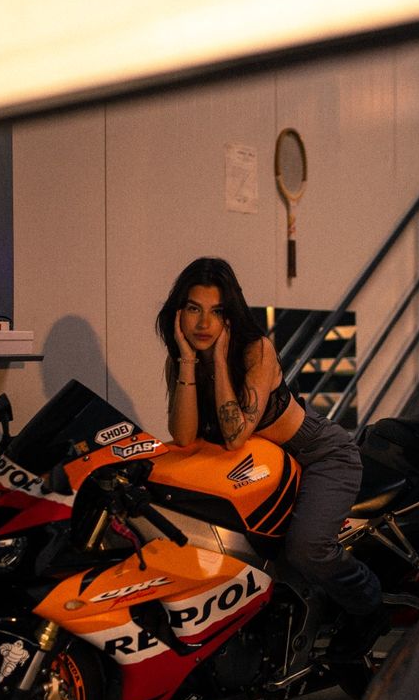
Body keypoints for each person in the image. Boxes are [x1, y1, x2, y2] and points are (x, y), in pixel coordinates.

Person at [155, 257, 383, 637]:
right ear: (179, 312)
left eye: (216, 312)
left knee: (306, 549)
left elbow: (234, 434)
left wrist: (222, 362)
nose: (203, 323)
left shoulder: (255, 350)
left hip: (318, 455)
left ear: (230, 317)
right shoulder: (184, 361)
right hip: (266, 468)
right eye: (194, 309)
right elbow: (184, 436)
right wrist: (187, 362)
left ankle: (370, 608)